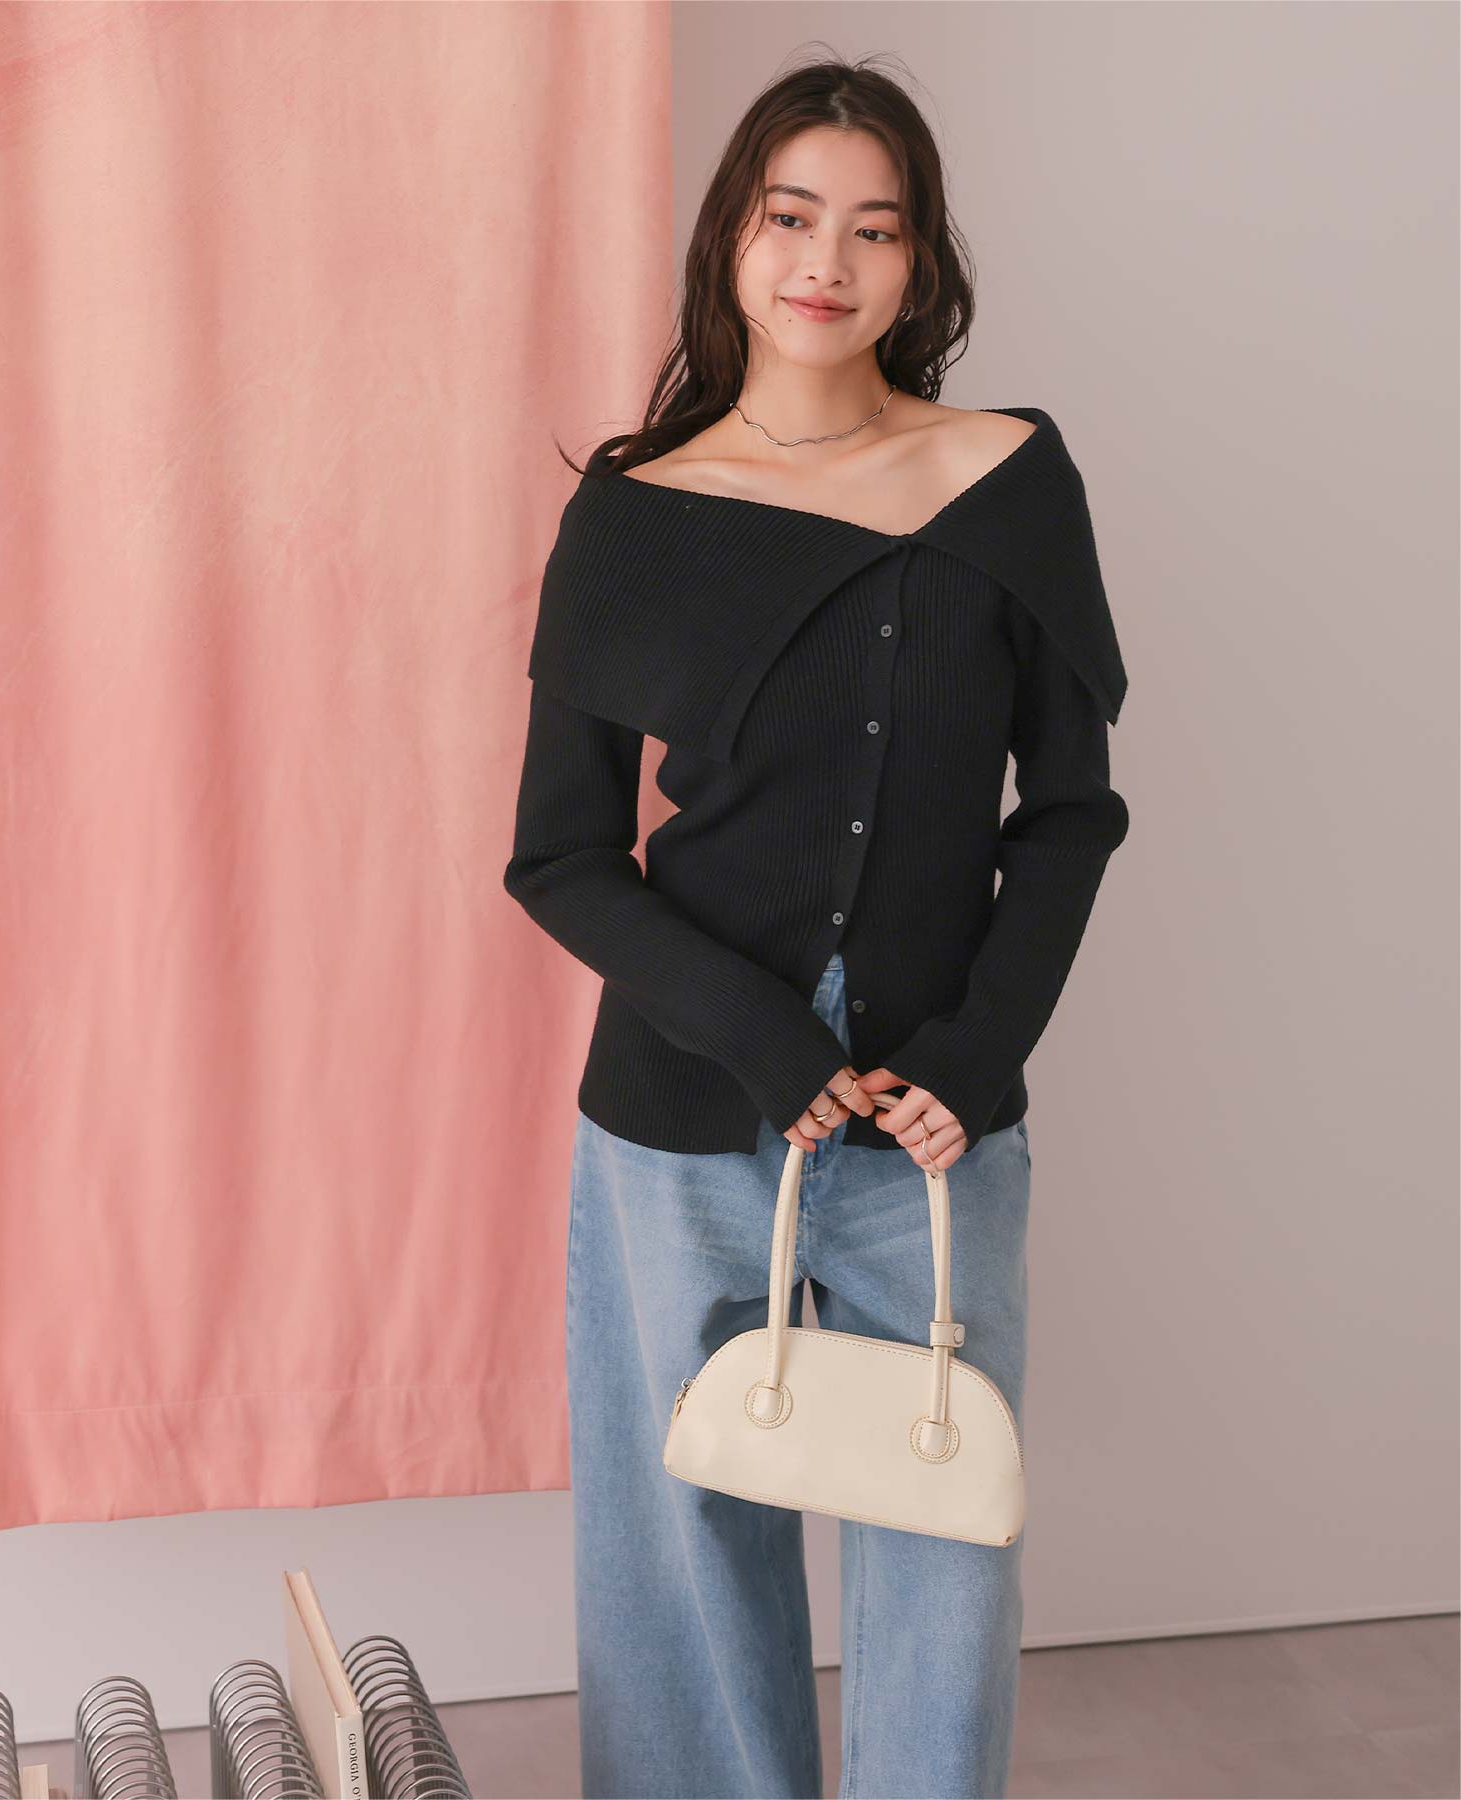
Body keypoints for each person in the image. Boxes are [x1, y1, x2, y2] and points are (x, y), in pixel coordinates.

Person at [503, 56, 1130, 1800]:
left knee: (947, 1539)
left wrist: (973, 1063)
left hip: (934, 1120)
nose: (826, 263)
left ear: (921, 264)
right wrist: (770, 1045)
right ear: (734, 236)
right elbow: (560, 858)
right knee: (680, 1555)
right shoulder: (635, 509)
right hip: (684, 1110)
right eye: (792, 217)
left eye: (875, 227)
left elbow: (1069, 813)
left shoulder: (1005, 481)